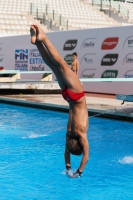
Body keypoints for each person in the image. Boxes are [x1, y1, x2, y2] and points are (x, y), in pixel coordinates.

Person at [30, 25, 89, 178]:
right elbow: (67, 152)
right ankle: (37, 43)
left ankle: (43, 38)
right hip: (68, 97)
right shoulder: (69, 134)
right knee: (53, 65)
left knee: (61, 64)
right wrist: (68, 168)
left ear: (80, 145)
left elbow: (86, 158)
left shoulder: (81, 134)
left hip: (77, 96)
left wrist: (79, 172)